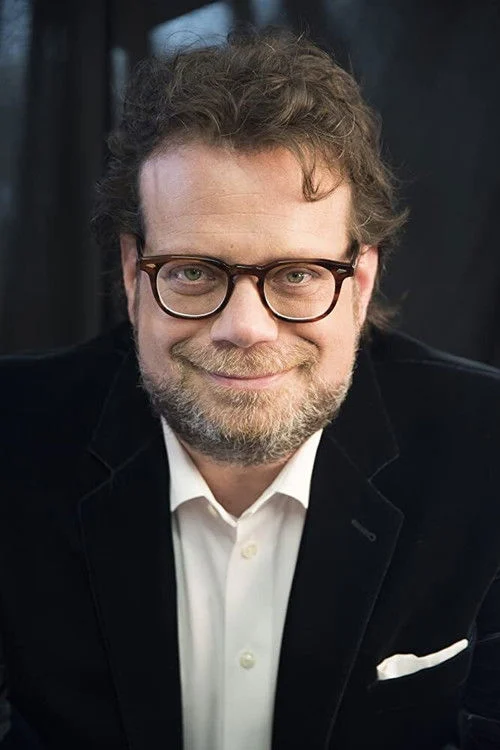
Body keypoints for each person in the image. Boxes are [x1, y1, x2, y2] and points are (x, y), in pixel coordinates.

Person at [1, 27, 500, 750]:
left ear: (361, 282)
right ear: (134, 273)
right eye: (193, 272)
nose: (244, 328)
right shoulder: (10, 438)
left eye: (297, 275)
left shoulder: (486, 450)